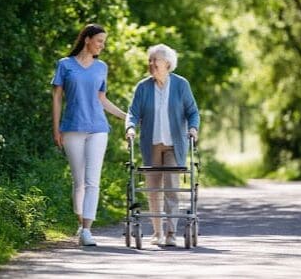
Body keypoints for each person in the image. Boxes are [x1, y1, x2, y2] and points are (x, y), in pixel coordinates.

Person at [52, 23, 126, 246]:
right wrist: (56, 129)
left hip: (98, 128)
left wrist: (126, 116)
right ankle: (80, 223)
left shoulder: (101, 67)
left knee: (93, 181)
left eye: (104, 42)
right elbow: (56, 97)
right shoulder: (65, 65)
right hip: (72, 128)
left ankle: (86, 229)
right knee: (79, 181)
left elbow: (101, 99)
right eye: (99, 41)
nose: (102, 46)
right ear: (87, 39)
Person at [125, 43, 200, 247]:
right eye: (149, 60)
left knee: (172, 188)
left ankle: (171, 232)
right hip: (152, 144)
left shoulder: (181, 85)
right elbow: (133, 112)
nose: (151, 64)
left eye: (154, 60)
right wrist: (130, 127)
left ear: (167, 63)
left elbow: (193, 111)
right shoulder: (143, 87)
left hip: (175, 144)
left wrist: (193, 128)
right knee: (153, 188)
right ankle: (157, 232)